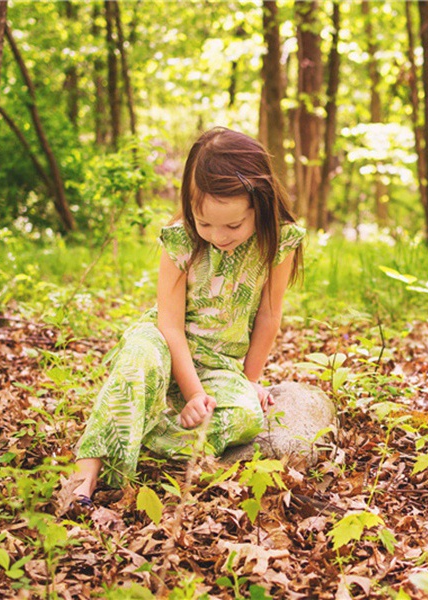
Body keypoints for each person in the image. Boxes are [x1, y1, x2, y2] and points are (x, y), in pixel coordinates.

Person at [68, 127, 305, 506]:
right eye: (204, 223)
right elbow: (169, 325)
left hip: (219, 364)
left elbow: (268, 315)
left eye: (233, 225)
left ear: (259, 205)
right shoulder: (179, 239)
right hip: (166, 342)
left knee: (247, 417)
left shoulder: (279, 240)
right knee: (138, 356)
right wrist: (193, 393)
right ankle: (86, 471)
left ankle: (141, 431)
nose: (218, 236)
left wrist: (249, 381)